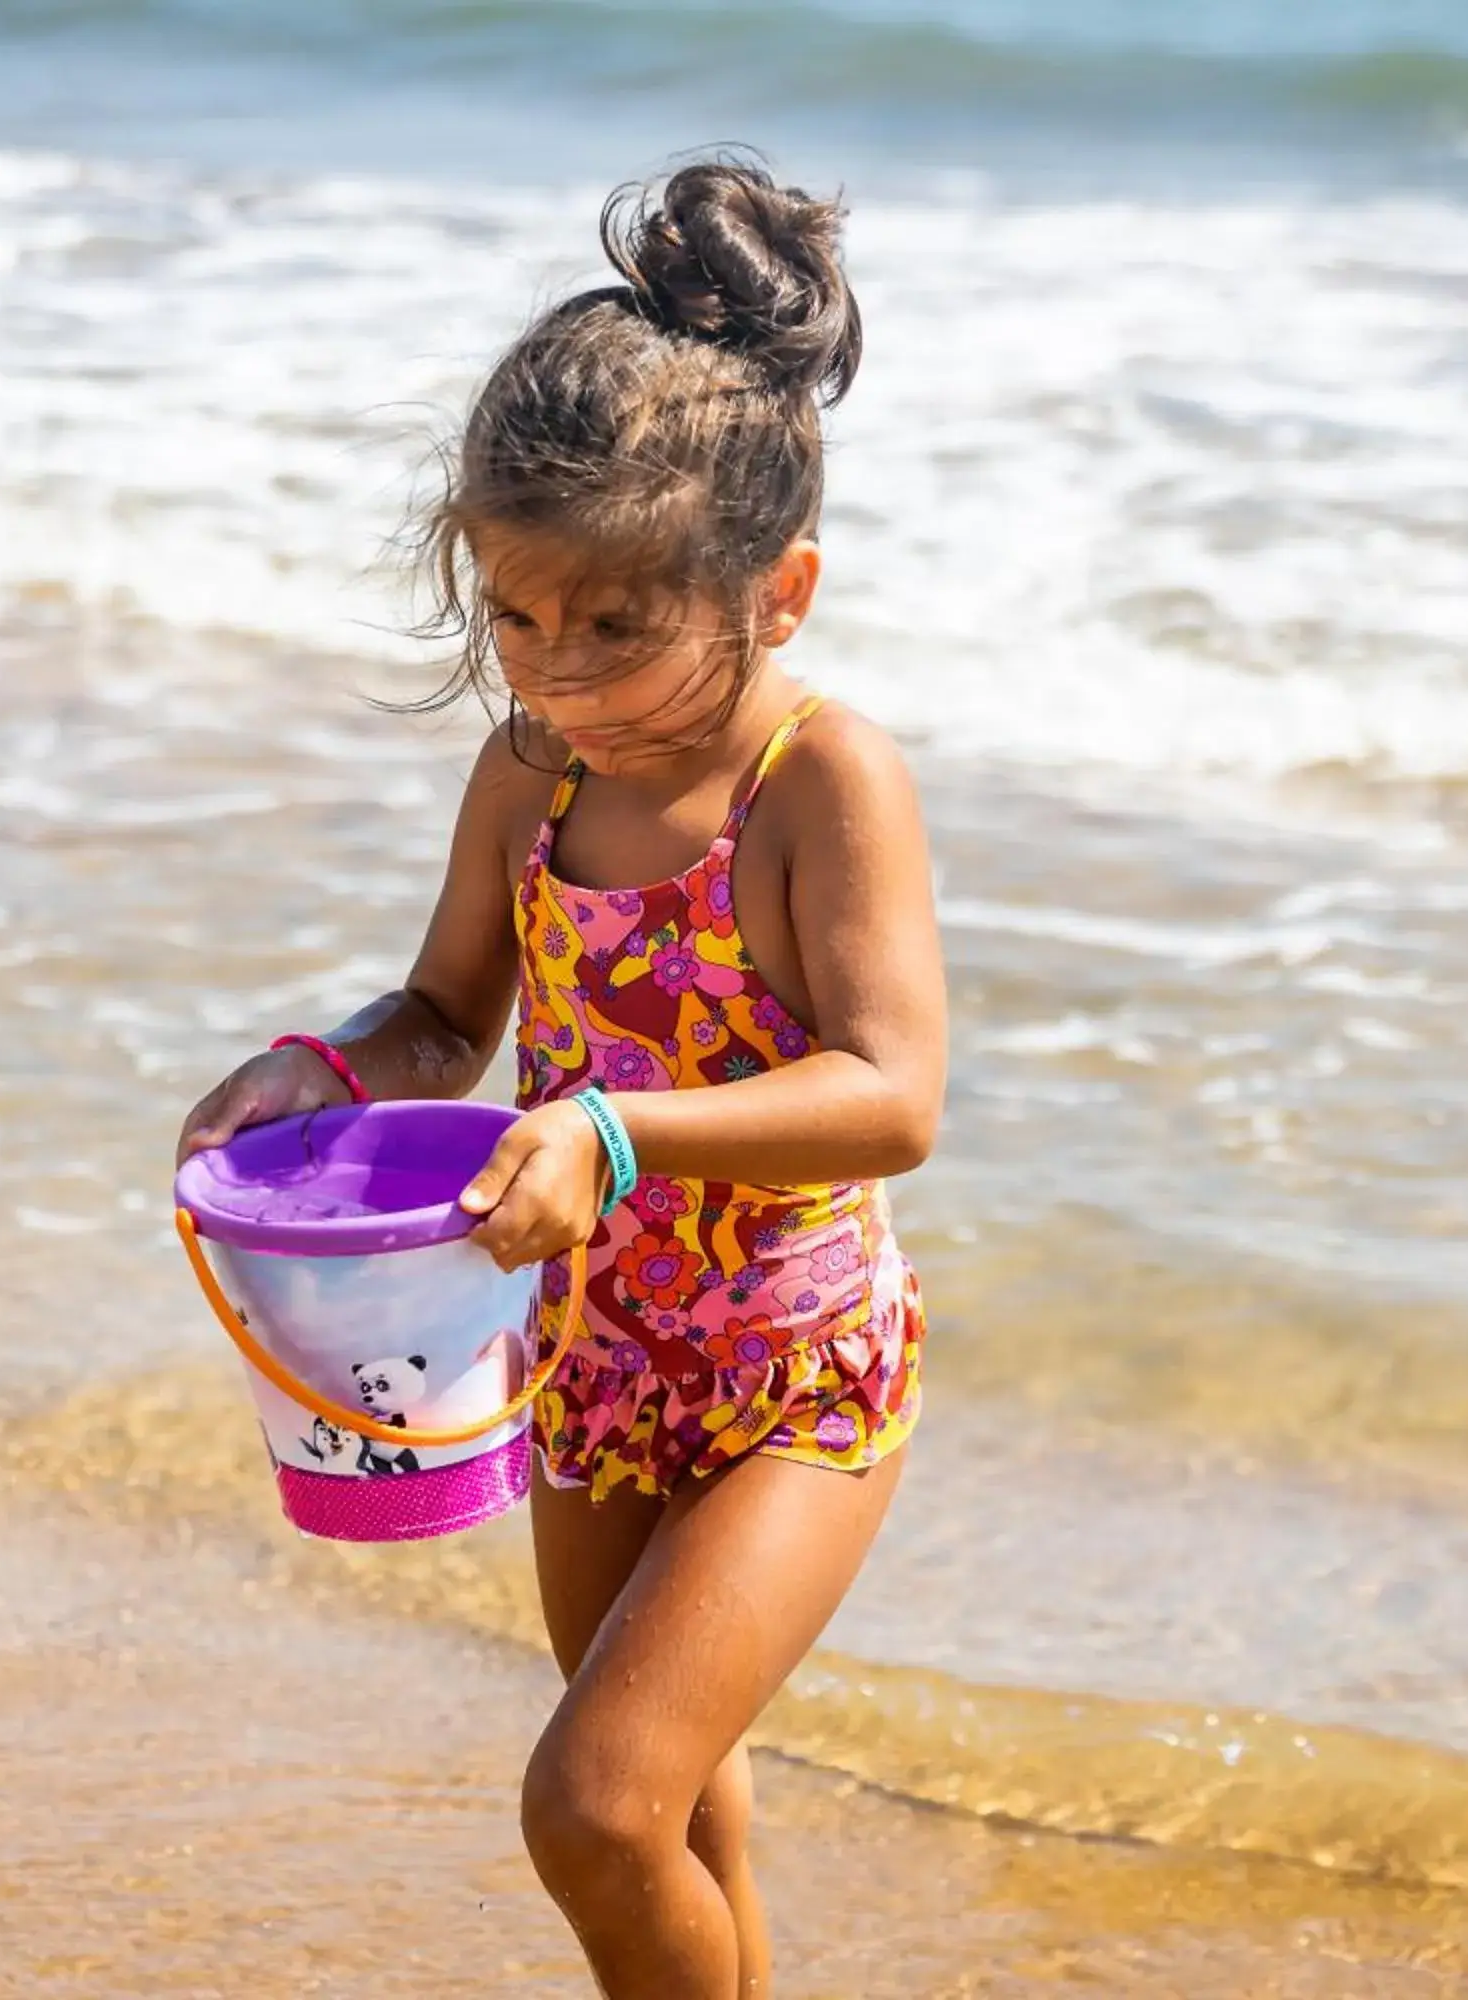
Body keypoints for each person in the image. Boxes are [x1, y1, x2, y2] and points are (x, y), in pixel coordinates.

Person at [176, 153, 947, 2000]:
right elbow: (447, 1010)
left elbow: (893, 1092)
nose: (555, 671)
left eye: (615, 628)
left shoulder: (819, 785)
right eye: (517, 619)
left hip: (795, 1374)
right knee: (681, 1813)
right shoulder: (532, 772)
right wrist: (317, 1071)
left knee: (593, 1809)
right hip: (592, 1360)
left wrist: (610, 1125)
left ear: (781, 592)